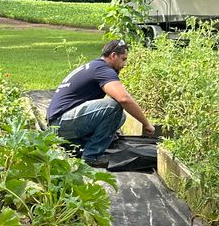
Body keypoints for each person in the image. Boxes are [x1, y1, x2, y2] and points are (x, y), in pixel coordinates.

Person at [45, 39, 156, 167]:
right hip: (61, 123)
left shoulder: (95, 66)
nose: (125, 64)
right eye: (123, 59)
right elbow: (123, 99)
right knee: (114, 106)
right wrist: (146, 124)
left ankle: (76, 144)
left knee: (120, 117)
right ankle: (91, 156)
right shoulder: (103, 70)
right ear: (113, 56)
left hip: (59, 123)